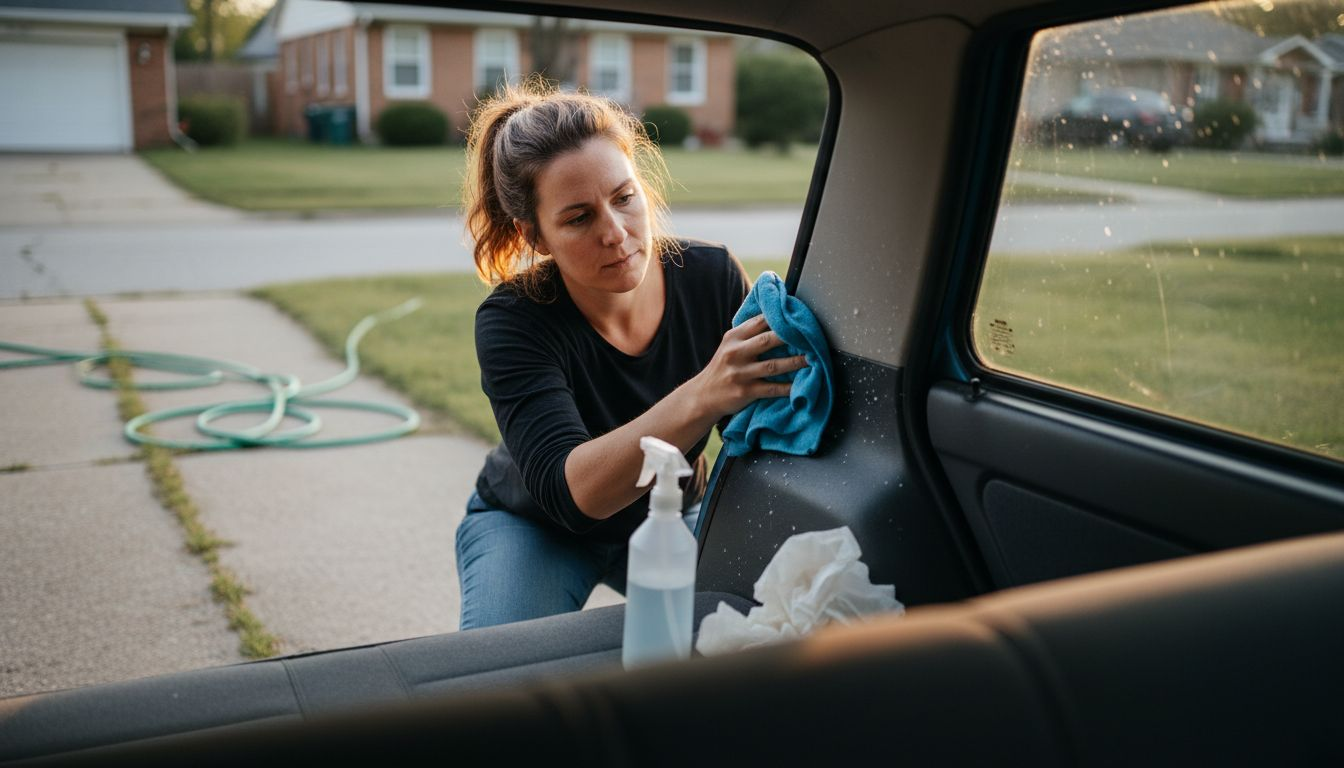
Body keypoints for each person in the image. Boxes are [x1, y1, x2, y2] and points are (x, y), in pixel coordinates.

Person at [456, 81, 808, 630]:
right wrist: (705, 393)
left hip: (671, 514)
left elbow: (768, 433)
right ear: (537, 235)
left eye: (624, 198)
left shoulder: (710, 277)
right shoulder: (512, 319)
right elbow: (576, 495)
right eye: (578, 218)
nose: (616, 233)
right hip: (536, 526)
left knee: (763, 632)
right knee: (498, 688)